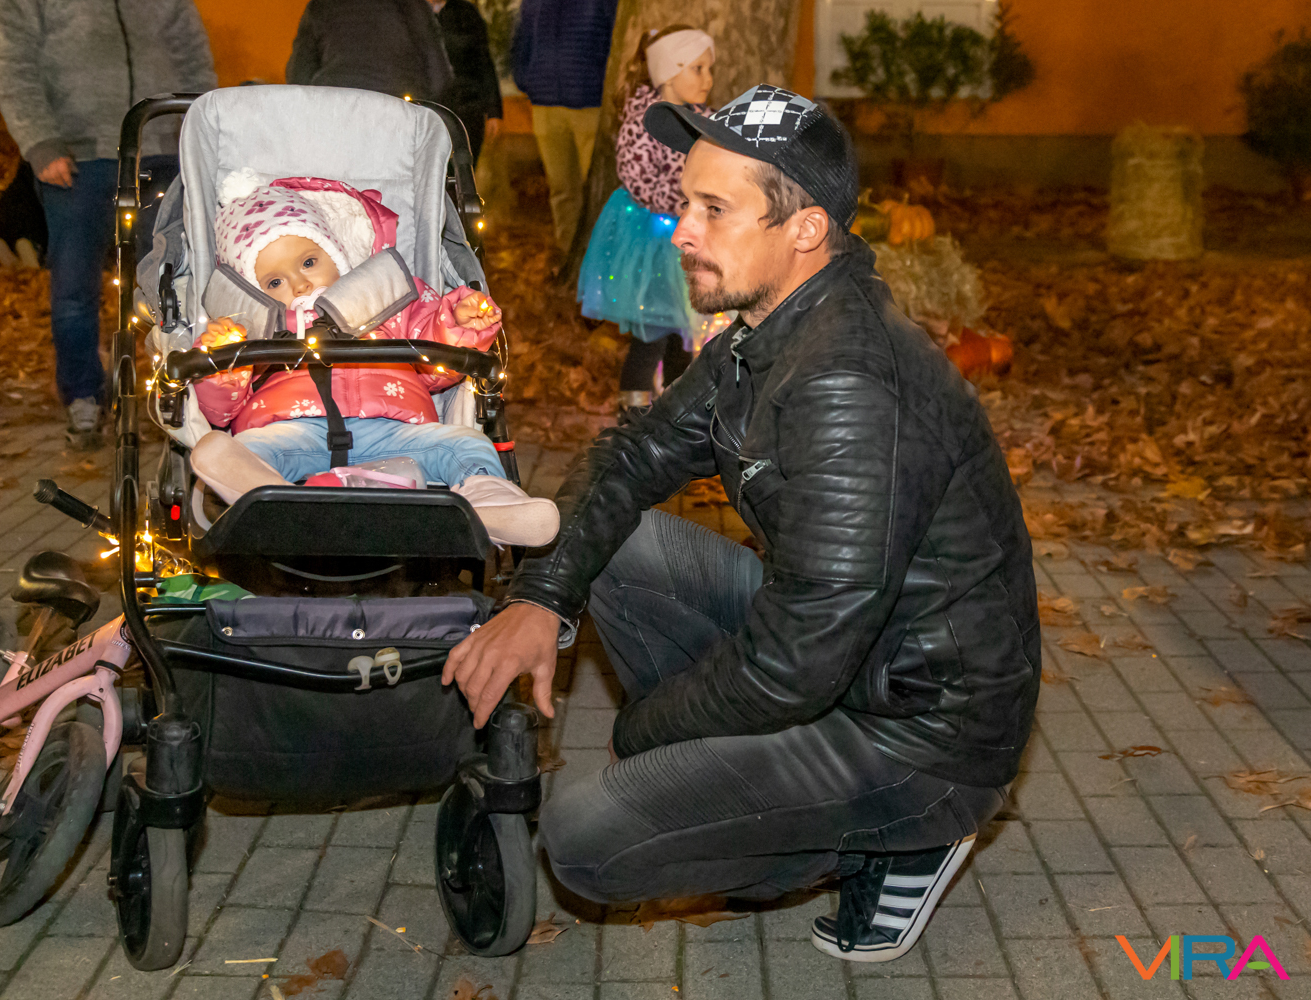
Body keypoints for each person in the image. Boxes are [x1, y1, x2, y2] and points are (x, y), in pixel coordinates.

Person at [444, 84, 1039, 963]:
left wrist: (646, 734)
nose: (682, 230)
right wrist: (542, 597)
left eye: (714, 209)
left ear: (805, 229)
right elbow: (633, 454)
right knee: (614, 544)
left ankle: (900, 839)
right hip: (844, 658)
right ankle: (725, 779)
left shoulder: (848, 383)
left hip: (922, 730)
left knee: (585, 839)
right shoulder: (766, 330)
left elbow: (797, 662)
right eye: (687, 202)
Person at [189, 172, 559, 548]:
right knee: (239, 450)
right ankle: (274, 505)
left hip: (396, 431)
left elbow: (436, 359)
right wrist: (224, 362)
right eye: (274, 283)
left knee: (467, 445)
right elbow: (219, 411)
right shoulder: (251, 326)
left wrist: (459, 324)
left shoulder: (387, 300)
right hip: (293, 433)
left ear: (337, 254)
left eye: (309, 262)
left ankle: (491, 508)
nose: (299, 285)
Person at [0, 0, 216, 449]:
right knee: (75, 290)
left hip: (161, 152)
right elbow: (13, 63)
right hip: (76, 158)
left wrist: (197, 129)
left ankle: (184, 395)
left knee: (174, 285)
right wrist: (40, 142)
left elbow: (192, 51)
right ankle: (84, 397)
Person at [577, 26, 714, 414]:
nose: (708, 79)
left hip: (689, 239)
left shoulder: (705, 121)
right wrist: (690, 206)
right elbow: (639, 180)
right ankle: (634, 418)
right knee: (651, 334)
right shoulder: (642, 121)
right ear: (669, 71)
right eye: (698, 69)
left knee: (683, 336)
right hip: (652, 242)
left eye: (710, 69)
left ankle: (676, 415)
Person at [509, 0, 617, 251]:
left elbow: (614, 40)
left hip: (589, 104)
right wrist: (527, 79)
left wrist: (599, 82)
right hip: (545, 103)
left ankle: (601, 254)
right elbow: (521, 41)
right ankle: (568, 253)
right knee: (561, 190)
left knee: (597, 189)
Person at [286, 0, 453, 102]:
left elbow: (298, 74)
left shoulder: (319, 5)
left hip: (335, 105)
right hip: (397, 107)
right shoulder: (414, 6)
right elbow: (440, 76)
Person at [428, 0, 504, 162]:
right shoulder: (411, 13)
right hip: (426, 109)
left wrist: (493, 111)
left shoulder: (466, 12)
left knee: (464, 166)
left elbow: (484, 62)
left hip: (467, 109)